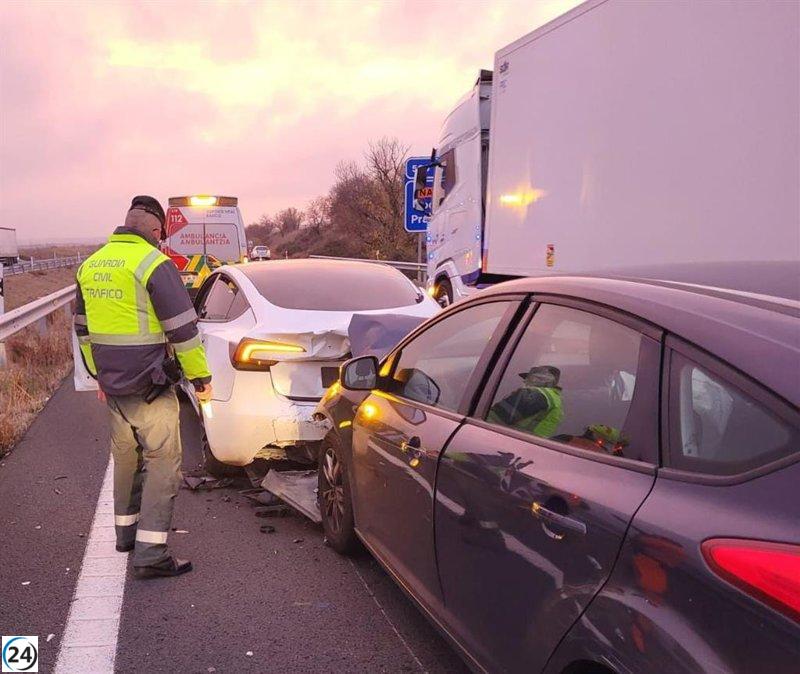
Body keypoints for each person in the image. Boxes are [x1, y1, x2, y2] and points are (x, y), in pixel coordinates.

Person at [73, 196, 212, 578]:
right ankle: (152, 555)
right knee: (163, 462)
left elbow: (82, 330)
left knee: (127, 460)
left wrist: (97, 374)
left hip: (114, 385)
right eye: (161, 235)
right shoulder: (153, 263)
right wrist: (200, 377)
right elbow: (183, 330)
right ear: (154, 231)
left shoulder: (90, 265)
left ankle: (127, 535)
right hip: (150, 383)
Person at [487, 365, 563, 438]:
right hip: (529, 443)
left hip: (512, 440)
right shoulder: (555, 398)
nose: (525, 381)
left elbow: (494, 418)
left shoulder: (535, 395)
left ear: (543, 380)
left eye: (530, 378)